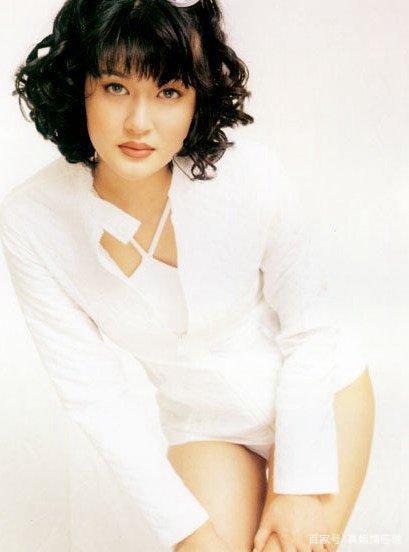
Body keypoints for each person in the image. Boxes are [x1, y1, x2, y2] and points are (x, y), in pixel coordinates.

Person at [0, 0, 375, 550]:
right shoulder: (33, 219)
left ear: (198, 99)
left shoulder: (250, 175)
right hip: (206, 431)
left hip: (321, 397)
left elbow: (311, 331)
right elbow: (98, 399)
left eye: (169, 92)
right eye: (116, 87)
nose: (139, 122)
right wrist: (186, 532)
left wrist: (297, 485)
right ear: (78, 85)